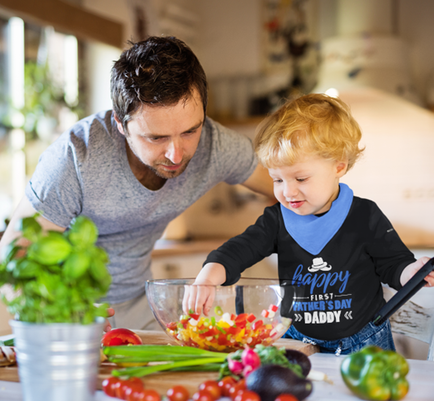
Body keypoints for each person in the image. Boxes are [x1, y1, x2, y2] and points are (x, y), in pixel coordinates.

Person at [0, 36, 274, 331]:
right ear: (120, 123)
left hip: (143, 310)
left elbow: (292, 189)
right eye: (156, 137)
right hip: (68, 313)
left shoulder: (215, 145)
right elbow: (12, 261)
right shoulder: (76, 158)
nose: (176, 154)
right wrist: (55, 322)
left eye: (190, 131)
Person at [184, 93, 434, 355]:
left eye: (300, 179)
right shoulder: (277, 220)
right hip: (299, 340)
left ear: (338, 166)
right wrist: (208, 276)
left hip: (363, 340)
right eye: (277, 180)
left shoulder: (364, 215)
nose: (288, 192)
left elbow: (393, 264)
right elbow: (241, 249)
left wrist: (412, 273)